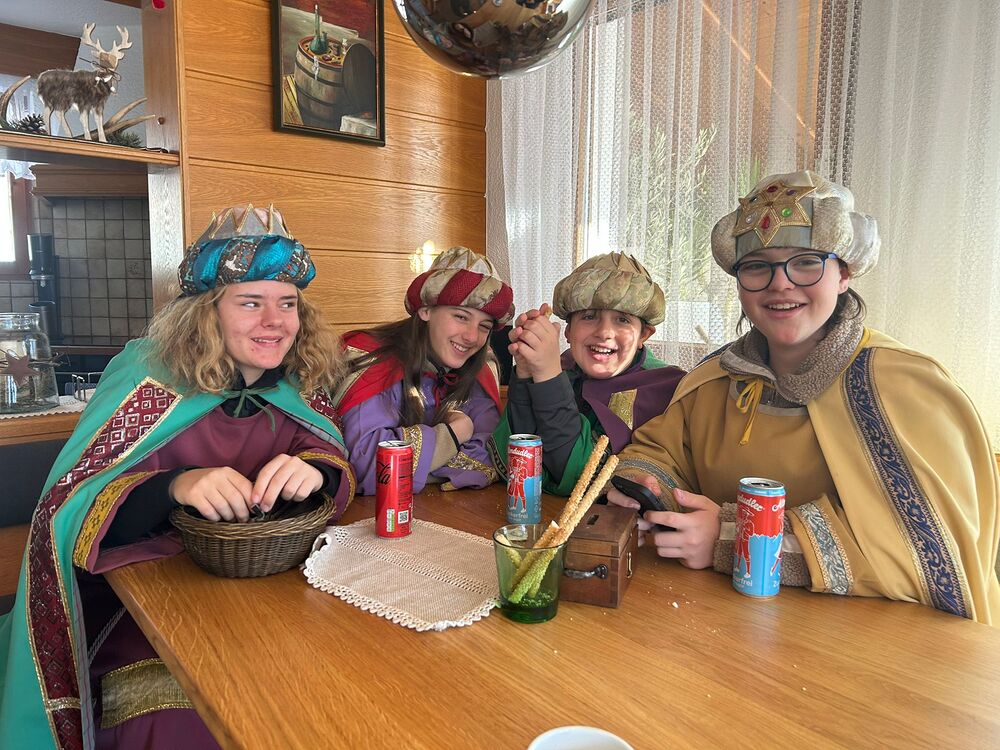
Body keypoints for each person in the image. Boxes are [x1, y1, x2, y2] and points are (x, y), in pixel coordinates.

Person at [0, 205, 357, 748]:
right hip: (144, 602)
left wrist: (314, 470)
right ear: (206, 313)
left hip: (267, 592)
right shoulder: (148, 378)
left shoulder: (299, 382)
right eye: (250, 302)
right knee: (178, 721)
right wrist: (174, 486)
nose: (275, 321)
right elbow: (66, 509)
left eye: (287, 303)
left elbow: (330, 456)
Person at [607, 171, 1000, 624]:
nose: (780, 284)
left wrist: (731, 540)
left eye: (806, 262)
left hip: (868, 644)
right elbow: (660, 451)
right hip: (721, 622)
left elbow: (930, 555)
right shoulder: (716, 376)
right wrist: (646, 490)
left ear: (843, 273)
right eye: (757, 266)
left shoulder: (905, 388)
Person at [489, 252, 686, 495]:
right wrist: (526, 373)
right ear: (568, 331)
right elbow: (520, 461)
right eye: (589, 316)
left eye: (622, 320)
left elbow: (585, 479)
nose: (604, 332)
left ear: (643, 336)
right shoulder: (566, 368)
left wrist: (549, 377)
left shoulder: (665, 390)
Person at [334, 246, 514, 494]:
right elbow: (367, 465)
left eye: (484, 326)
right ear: (426, 310)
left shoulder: (480, 369)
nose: (472, 337)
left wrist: (418, 466)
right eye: (461, 317)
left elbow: (490, 456)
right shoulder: (370, 358)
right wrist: (454, 433)